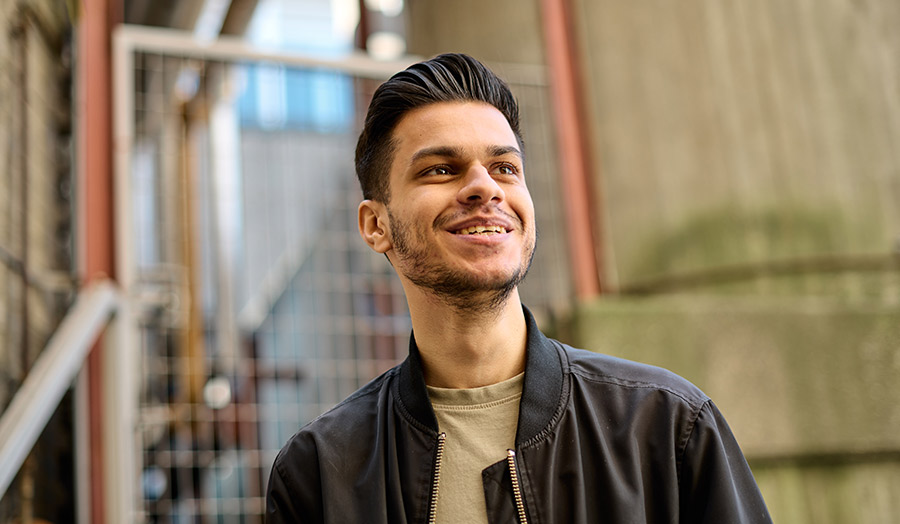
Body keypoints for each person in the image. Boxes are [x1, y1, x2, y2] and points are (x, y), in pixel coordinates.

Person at [266, 53, 772, 524]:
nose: (485, 187)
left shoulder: (666, 427)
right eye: (441, 169)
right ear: (376, 225)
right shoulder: (320, 472)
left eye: (505, 168)